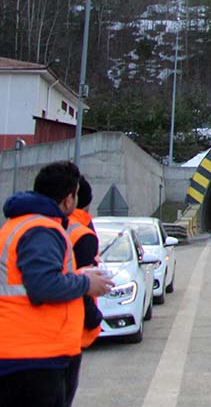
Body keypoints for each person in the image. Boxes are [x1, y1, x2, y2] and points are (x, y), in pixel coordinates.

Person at [0, 161, 113, 406]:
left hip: (27, 354)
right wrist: (85, 282)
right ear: (68, 199)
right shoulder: (41, 228)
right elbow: (42, 285)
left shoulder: (22, 224)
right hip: (34, 357)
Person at [65, 176, 104, 403]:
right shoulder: (81, 234)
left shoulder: (17, 228)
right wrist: (93, 318)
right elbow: (81, 283)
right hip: (68, 332)